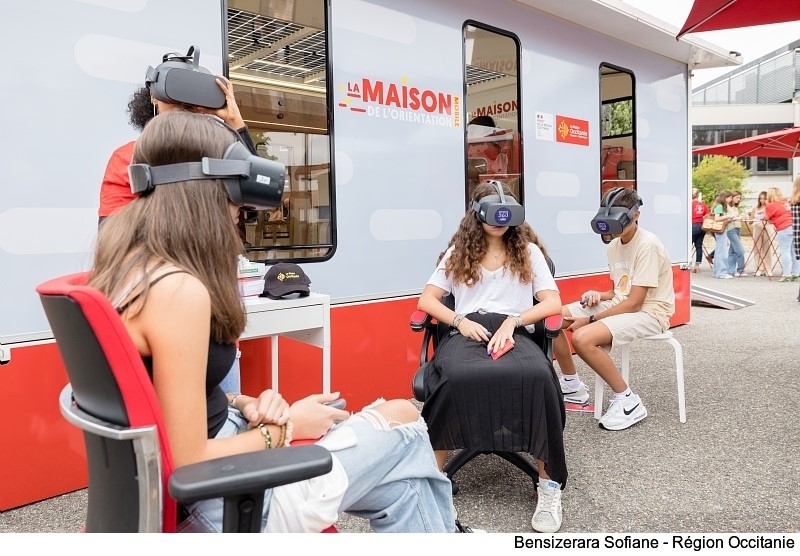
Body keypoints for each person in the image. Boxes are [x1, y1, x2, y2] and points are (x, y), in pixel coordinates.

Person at [89, 111, 458, 533]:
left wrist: (243, 403)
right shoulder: (178, 292)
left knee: (403, 487)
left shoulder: (130, 270)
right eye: (235, 196)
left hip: (216, 461)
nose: (240, 211)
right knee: (404, 421)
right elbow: (186, 461)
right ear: (209, 192)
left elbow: (156, 398)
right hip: (226, 498)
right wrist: (285, 431)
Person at [417, 181, 566, 533]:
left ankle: (548, 486)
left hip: (515, 331)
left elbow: (552, 303)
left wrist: (514, 321)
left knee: (539, 377)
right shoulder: (459, 252)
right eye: (493, 214)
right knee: (454, 377)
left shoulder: (528, 252)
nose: (501, 221)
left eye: (507, 214)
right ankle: (434, 483)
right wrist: (459, 320)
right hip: (467, 332)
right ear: (476, 214)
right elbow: (427, 300)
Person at [552, 188, 674, 431]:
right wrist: (599, 295)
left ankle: (628, 401)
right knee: (552, 316)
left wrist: (589, 320)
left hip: (651, 312)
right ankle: (573, 386)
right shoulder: (614, 245)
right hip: (625, 304)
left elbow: (635, 302)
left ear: (636, 215)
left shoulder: (647, 245)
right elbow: (620, 291)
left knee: (583, 337)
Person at [98, 75, 256, 225]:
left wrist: (235, 121)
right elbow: (112, 232)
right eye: (175, 94)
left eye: (193, 98)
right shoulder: (127, 156)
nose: (185, 105)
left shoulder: (218, 153)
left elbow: (255, 196)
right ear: (154, 97)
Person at [764, 187, 799, 282]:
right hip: (795, 226)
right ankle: (796, 274)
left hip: (784, 228)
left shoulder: (771, 205)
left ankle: (786, 274)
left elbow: (765, 217)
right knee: (795, 251)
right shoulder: (786, 202)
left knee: (785, 251)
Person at [748, 191, 774, 277]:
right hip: (757, 227)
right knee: (757, 248)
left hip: (768, 227)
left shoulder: (770, 207)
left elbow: (772, 219)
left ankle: (768, 268)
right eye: (760, 198)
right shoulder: (755, 208)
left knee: (767, 248)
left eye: (764, 198)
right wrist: (750, 217)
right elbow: (750, 222)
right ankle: (759, 268)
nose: (762, 200)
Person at [710, 191, 734, 279]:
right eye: (730, 198)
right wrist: (728, 216)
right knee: (722, 252)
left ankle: (718, 271)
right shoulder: (720, 206)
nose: (731, 199)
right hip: (720, 231)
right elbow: (717, 218)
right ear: (725, 198)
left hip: (720, 230)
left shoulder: (718, 206)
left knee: (720, 251)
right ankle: (721, 273)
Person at [727, 191, 747, 276]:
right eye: (737, 198)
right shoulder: (727, 207)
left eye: (739, 198)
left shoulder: (735, 208)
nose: (738, 200)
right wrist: (736, 217)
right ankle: (740, 269)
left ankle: (731, 270)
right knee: (740, 250)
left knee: (733, 251)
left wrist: (741, 217)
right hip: (731, 229)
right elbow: (728, 218)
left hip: (737, 228)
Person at [690, 188, 709, 272]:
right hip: (702, 226)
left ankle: (688, 262)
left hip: (692, 225)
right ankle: (697, 265)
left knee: (688, 246)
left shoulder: (689, 205)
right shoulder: (703, 205)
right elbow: (708, 214)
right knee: (699, 246)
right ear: (698, 195)